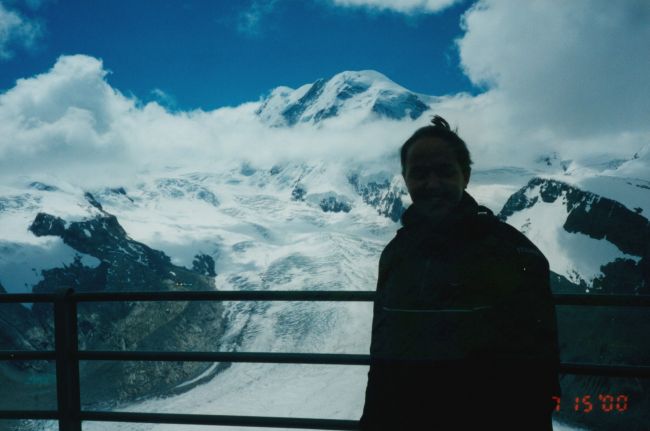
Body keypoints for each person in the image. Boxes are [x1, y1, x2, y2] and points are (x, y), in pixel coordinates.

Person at [359, 116, 562, 430]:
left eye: (444, 171)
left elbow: (538, 366)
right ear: (405, 179)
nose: (432, 184)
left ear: (465, 176)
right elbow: (383, 352)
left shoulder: (510, 252)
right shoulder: (396, 255)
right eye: (420, 173)